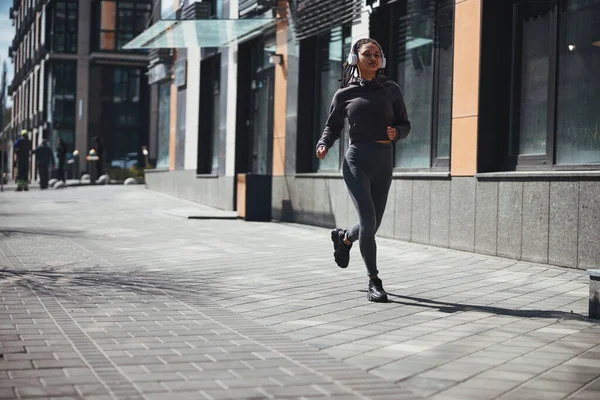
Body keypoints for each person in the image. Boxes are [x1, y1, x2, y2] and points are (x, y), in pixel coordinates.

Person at [315, 38, 411, 303]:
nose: (373, 58)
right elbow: (332, 126)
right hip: (357, 160)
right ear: (355, 59)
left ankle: (344, 238)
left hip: (383, 161)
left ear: (383, 60)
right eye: (367, 54)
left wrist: (397, 132)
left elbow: (405, 124)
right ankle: (374, 282)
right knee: (368, 221)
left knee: (373, 224)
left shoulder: (391, 89)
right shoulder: (345, 94)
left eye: (377, 54)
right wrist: (323, 144)